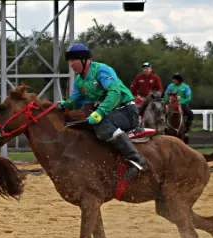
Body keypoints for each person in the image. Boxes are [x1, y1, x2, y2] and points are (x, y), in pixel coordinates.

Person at [59, 43, 148, 180]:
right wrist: (64, 105)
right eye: (69, 61)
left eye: (73, 60)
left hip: (127, 111)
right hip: (109, 113)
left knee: (102, 124)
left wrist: (100, 112)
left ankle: (137, 160)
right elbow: (76, 99)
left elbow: (114, 92)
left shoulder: (102, 70)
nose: (71, 64)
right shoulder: (79, 80)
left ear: (85, 60)